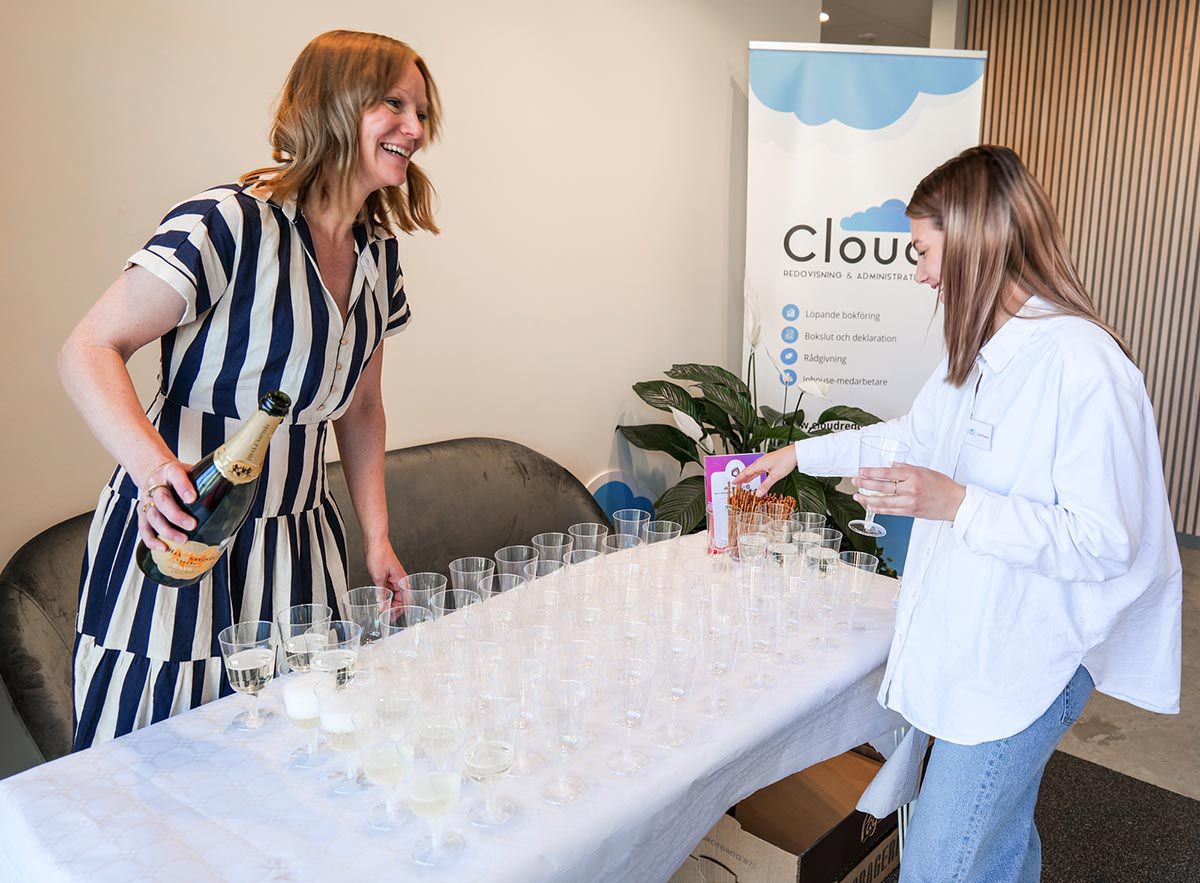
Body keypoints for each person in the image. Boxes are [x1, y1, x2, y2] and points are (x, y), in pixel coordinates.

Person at [736, 145, 1182, 881]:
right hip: (986, 639)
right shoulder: (979, 354)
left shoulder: (1084, 365)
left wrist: (956, 502)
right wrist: (796, 456)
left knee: (940, 863)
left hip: (1033, 659)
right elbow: (910, 437)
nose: (918, 274)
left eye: (922, 252)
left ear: (977, 240)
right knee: (997, 840)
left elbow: (1104, 542)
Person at [58, 30, 440, 749]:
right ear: (334, 102)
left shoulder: (379, 255)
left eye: (421, 112)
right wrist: (154, 473)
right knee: (155, 755)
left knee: (297, 749)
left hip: (300, 538)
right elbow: (87, 349)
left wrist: (378, 537)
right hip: (183, 533)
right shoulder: (227, 222)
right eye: (394, 104)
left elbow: (361, 406)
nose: (415, 129)